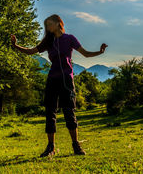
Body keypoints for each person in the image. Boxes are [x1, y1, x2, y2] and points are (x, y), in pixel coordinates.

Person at [10, 14, 108, 157]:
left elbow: (85, 54)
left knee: (69, 112)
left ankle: (76, 145)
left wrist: (100, 52)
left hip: (66, 80)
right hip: (52, 80)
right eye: (47, 26)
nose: (48, 28)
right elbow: (31, 51)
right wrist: (15, 46)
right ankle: (50, 148)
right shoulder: (48, 42)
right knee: (50, 112)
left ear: (58, 23)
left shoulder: (69, 38)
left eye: (49, 24)